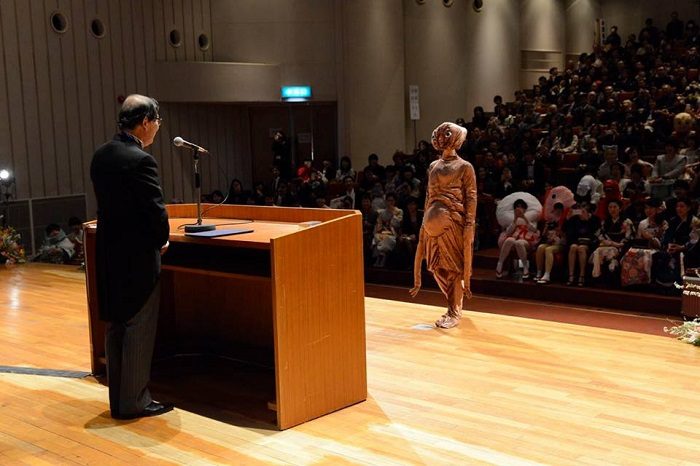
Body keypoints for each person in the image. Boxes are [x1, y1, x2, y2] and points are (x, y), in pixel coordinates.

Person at [90, 94, 173, 420]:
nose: (158, 127)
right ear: (145, 122)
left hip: (109, 253)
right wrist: (162, 239)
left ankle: (119, 400)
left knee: (116, 326)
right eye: (157, 121)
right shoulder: (140, 160)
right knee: (138, 325)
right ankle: (135, 402)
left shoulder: (101, 155)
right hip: (137, 257)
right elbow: (154, 210)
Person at [410, 122, 477, 329]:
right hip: (431, 223)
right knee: (435, 266)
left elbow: (471, 197)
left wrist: (469, 225)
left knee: (453, 267)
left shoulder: (465, 167)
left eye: (446, 134)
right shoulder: (433, 166)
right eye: (439, 134)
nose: (441, 138)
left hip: (453, 223)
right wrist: (424, 223)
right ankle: (453, 304)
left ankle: (454, 310)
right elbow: (429, 196)